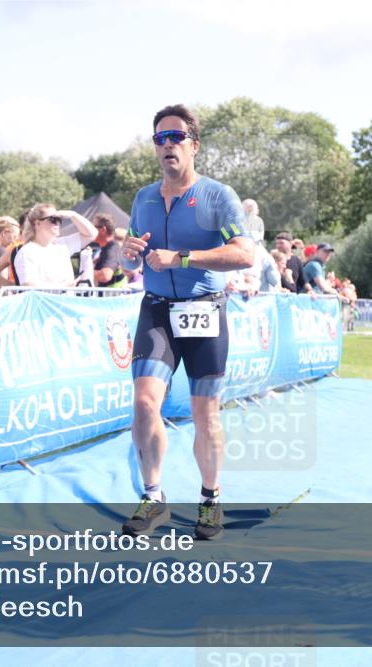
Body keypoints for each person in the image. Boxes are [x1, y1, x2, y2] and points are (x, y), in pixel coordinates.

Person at [119, 104, 255, 541]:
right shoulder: (142, 198)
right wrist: (127, 258)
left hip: (204, 310)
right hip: (157, 308)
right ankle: (154, 496)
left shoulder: (218, 196)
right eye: (160, 138)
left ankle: (211, 498)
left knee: (204, 413)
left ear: (194, 145)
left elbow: (245, 254)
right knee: (144, 404)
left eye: (176, 137)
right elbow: (132, 257)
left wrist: (182, 257)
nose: (168, 146)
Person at [0, 204, 97, 289]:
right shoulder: (27, 251)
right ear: (37, 224)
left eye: (60, 220)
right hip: (42, 311)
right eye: (53, 219)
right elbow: (28, 285)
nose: (58, 223)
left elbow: (91, 234)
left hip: (64, 308)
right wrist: (61, 287)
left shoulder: (62, 245)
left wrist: (72, 215)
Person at [90, 213, 128, 288]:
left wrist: (86, 272)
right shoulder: (107, 247)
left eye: (93, 227)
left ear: (103, 230)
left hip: (113, 297)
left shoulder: (112, 248)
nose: (90, 230)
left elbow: (105, 275)